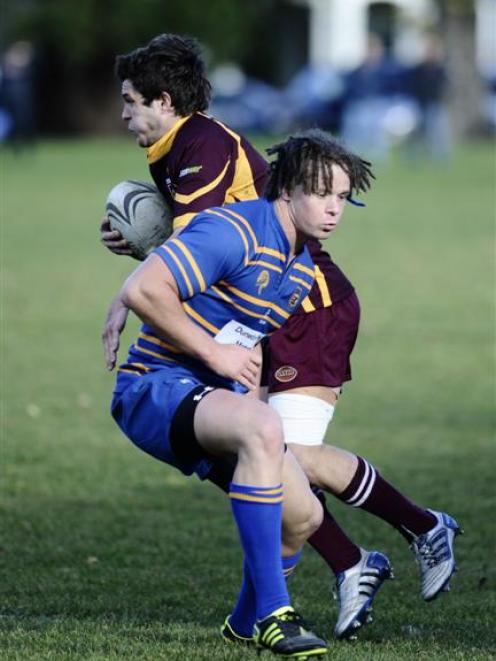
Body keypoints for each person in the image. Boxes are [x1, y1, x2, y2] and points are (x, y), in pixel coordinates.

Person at [101, 33, 461, 642]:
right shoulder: (197, 168)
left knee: (284, 474)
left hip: (309, 313)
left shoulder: (203, 149)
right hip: (217, 340)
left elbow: (180, 263)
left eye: (132, 101)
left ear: (165, 99)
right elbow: (184, 263)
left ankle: (377, 548)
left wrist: (137, 284)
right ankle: (344, 568)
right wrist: (140, 282)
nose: (124, 113)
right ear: (289, 190)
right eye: (323, 194)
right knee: (272, 453)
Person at [109, 128, 373, 656]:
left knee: (303, 517)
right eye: (322, 193)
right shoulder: (236, 230)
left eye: (343, 197)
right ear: (289, 188)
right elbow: (144, 290)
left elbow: (244, 353)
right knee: (264, 427)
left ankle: (243, 621)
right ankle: (277, 616)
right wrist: (214, 356)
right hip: (153, 388)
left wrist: (254, 418)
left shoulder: (297, 270)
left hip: (212, 400)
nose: (334, 209)